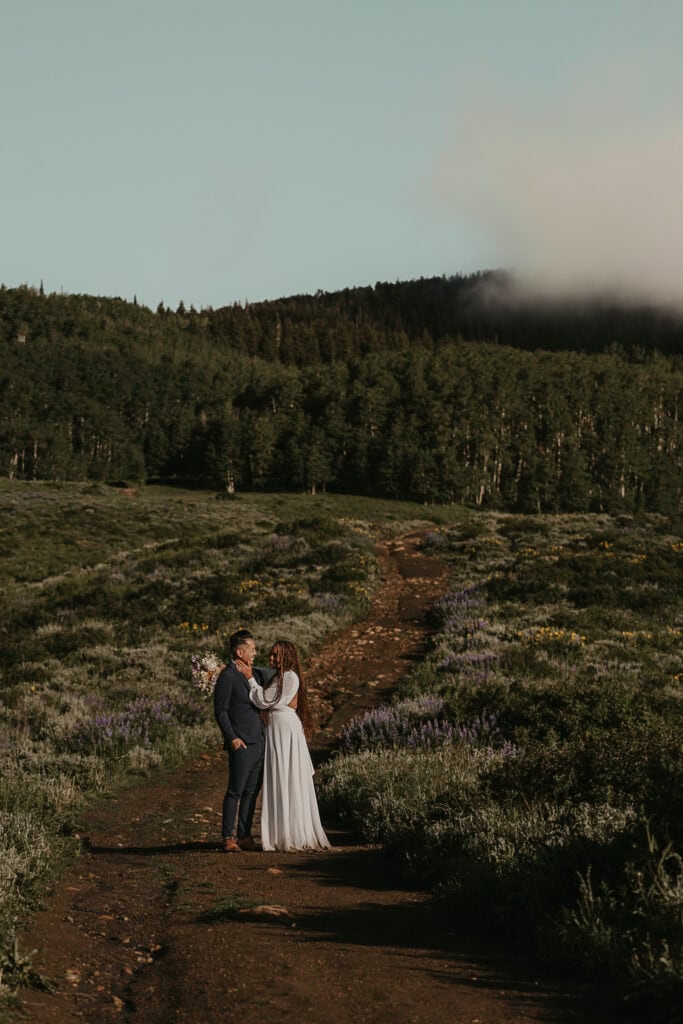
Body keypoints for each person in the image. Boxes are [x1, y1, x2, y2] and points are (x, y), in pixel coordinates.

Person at [238, 638, 330, 852]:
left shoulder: (289, 677)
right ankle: (283, 832)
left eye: (275, 655)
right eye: (270, 654)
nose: (270, 658)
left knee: (287, 775)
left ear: (285, 657)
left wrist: (250, 679)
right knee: (281, 776)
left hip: (284, 729)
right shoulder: (280, 676)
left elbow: (265, 701)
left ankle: (291, 833)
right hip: (277, 728)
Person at [213, 628, 274, 853]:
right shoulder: (227, 677)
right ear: (240, 652)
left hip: (259, 741)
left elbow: (274, 674)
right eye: (252, 649)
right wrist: (233, 739)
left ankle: (245, 835)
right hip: (242, 743)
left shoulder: (254, 674)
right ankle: (228, 837)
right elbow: (221, 712)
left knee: (252, 792)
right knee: (235, 791)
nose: (255, 653)